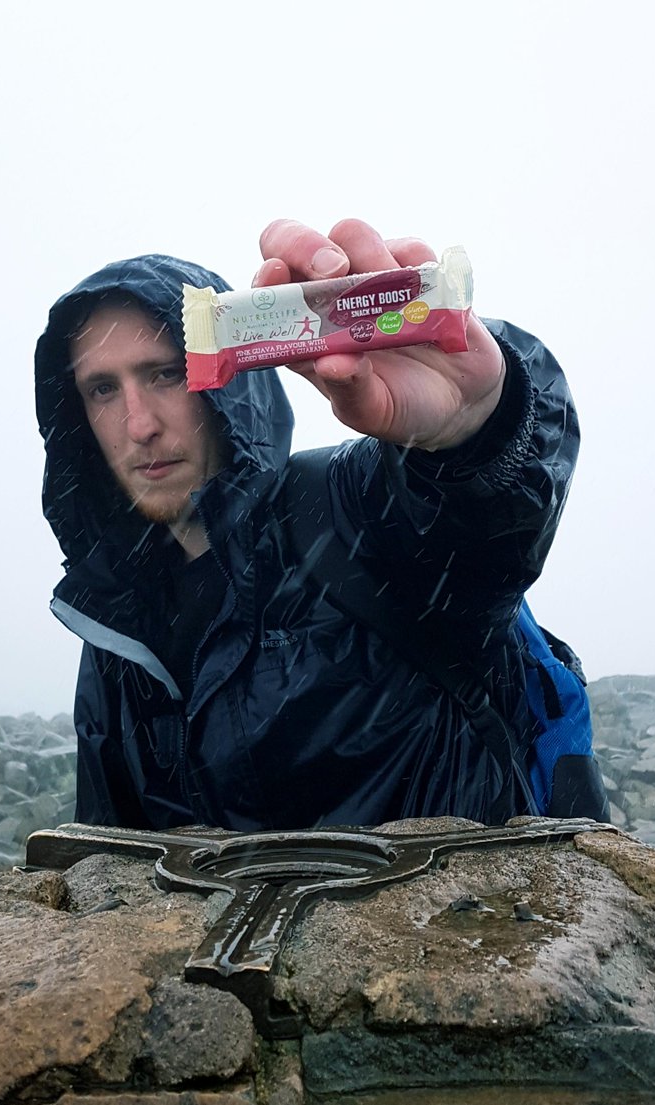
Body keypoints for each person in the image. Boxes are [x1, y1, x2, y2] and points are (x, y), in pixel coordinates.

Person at [34, 218, 604, 830]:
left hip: (466, 919)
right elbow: (105, 867)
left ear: (226, 382)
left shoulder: (347, 513)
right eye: (101, 390)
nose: (138, 423)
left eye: (165, 373)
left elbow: (485, 519)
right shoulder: (118, 626)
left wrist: (478, 424)